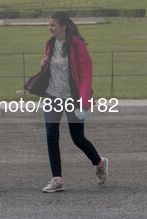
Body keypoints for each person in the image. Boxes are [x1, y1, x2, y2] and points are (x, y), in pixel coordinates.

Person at [26, 11, 108, 193]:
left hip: (73, 98)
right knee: (51, 137)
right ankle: (57, 180)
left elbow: (86, 73)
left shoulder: (77, 45)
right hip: (52, 96)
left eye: (53, 25)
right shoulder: (51, 44)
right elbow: (53, 65)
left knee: (77, 138)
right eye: (49, 24)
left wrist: (84, 102)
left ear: (63, 26)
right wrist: (44, 63)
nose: (49, 28)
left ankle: (99, 162)